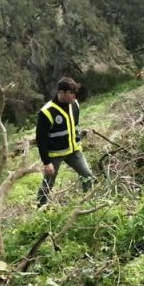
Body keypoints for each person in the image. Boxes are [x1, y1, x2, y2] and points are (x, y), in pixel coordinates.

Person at [36, 77, 94, 207]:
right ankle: (38, 208)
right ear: (61, 92)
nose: (74, 96)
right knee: (48, 184)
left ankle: (88, 205)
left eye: (75, 93)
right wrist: (46, 162)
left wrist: (79, 137)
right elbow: (41, 139)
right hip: (55, 155)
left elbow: (74, 126)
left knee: (88, 176)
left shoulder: (75, 105)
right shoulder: (46, 112)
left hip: (74, 151)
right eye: (71, 93)